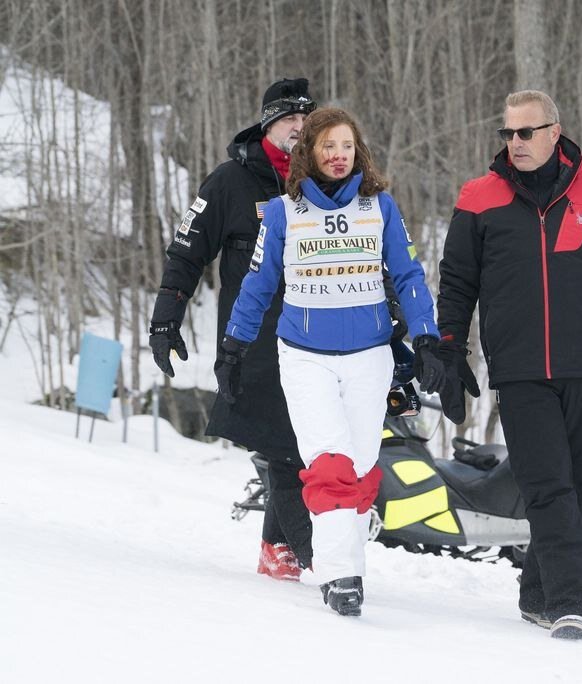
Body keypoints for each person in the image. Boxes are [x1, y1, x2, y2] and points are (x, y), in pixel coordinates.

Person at [424, 90, 582, 640]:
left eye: (525, 133)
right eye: (506, 135)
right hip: (519, 370)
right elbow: (458, 282)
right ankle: (572, 602)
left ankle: (537, 589)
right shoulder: (478, 198)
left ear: (554, 132)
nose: (514, 144)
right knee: (548, 484)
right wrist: (450, 347)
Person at [218, 107, 439, 617]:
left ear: (357, 149)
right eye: (328, 147)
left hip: (369, 357)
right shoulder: (282, 213)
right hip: (305, 358)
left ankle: (345, 563)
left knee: (361, 472)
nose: (339, 156)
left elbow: (408, 275)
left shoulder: (379, 207)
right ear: (309, 153)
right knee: (331, 464)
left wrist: (427, 338)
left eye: (346, 145)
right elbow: (258, 285)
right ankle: (341, 576)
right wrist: (234, 346)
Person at [149, 78, 317, 580]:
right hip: (254, 337)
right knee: (286, 443)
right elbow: (186, 251)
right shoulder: (229, 181)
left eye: (308, 120)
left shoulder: (325, 181)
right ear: (269, 123)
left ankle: (280, 548)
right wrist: (165, 319)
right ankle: (300, 553)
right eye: (290, 118)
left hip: (316, 332)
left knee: (307, 443)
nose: (299, 129)